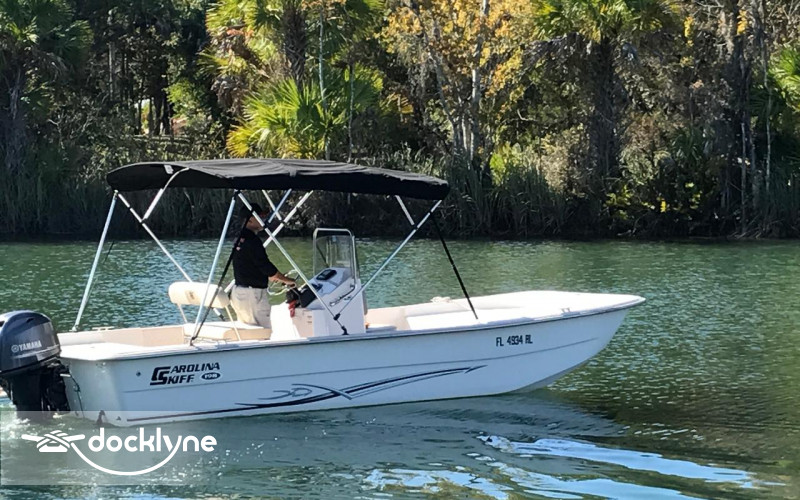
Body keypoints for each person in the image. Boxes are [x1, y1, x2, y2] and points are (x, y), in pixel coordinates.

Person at [230, 204, 296, 328]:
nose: (263, 219)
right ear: (250, 219)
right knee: (263, 332)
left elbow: (252, 265)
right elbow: (267, 268)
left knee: (249, 332)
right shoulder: (253, 241)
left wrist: (272, 276)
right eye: (260, 216)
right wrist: (288, 281)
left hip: (239, 293)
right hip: (253, 296)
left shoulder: (239, 238)